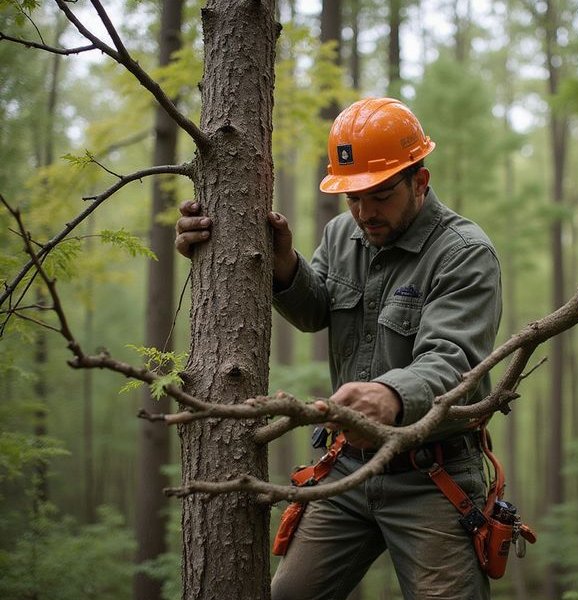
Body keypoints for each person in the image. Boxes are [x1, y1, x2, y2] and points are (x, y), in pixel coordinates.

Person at [175, 97, 502, 600]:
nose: (364, 213)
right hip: (346, 469)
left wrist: (389, 395)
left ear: (420, 180)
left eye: (380, 195)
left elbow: (452, 360)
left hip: (431, 477)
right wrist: (281, 262)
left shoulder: (463, 254)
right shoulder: (343, 233)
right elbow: (315, 309)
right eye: (353, 197)